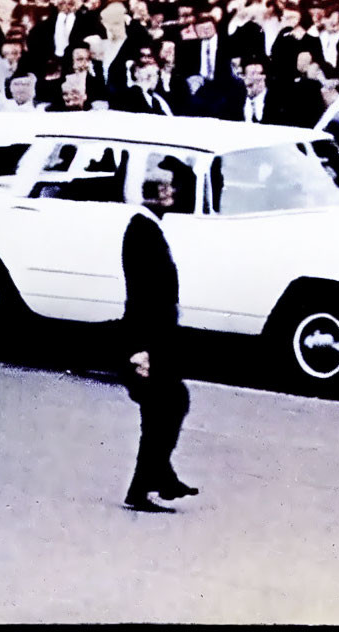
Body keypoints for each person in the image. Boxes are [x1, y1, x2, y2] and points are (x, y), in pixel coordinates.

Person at [121, 159, 199, 513]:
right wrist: (141, 349)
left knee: (165, 409)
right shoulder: (142, 232)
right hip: (149, 340)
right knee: (166, 407)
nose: (170, 193)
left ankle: (153, 480)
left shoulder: (150, 228)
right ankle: (148, 484)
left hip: (158, 339)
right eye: (162, 188)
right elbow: (142, 294)